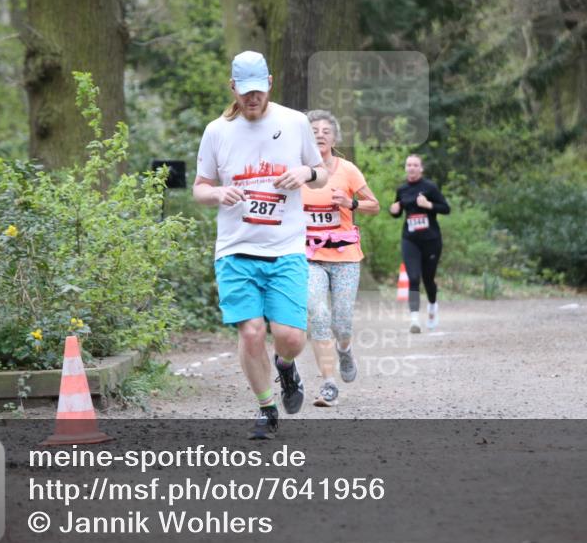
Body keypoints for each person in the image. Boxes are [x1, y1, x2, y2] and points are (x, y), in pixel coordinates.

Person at [193, 51, 328, 439]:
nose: (252, 99)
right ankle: (266, 408)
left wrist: (306, 171)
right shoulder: (216, 131)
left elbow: (319, 176)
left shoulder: (294, 121)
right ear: (232, 87)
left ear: (269, 83)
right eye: (244, 92)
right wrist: (218, 193)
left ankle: (286, 367)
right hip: (235, 249)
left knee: (289, 338)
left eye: (258, 91)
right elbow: (200, 189)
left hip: (285, 247)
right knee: (251, 332)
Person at [301, 110, 380, 407]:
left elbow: (375, 205)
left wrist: (351, 203)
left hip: (345, 257)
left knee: (341, 323)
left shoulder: (347, 170)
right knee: (319, 317)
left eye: (326, 131)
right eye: (314, 131)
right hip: (310, 257)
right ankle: (328, 383)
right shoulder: (297, 171)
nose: (320, 135)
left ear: (334, 138)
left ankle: (345, 350)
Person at [388, 154, 450, 334]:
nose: (412, 168)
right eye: (409, 165)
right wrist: (394, 210)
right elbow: (397, 212)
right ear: (406, 168)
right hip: (410, 240)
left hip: (431, 240)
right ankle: (414, 319)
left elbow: (445, 208)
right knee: (413, 277)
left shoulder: (429, 187)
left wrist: (429, 205)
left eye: (415, 165)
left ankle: (432, 306)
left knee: (428, 279)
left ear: (421, 168)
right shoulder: (402, 189)